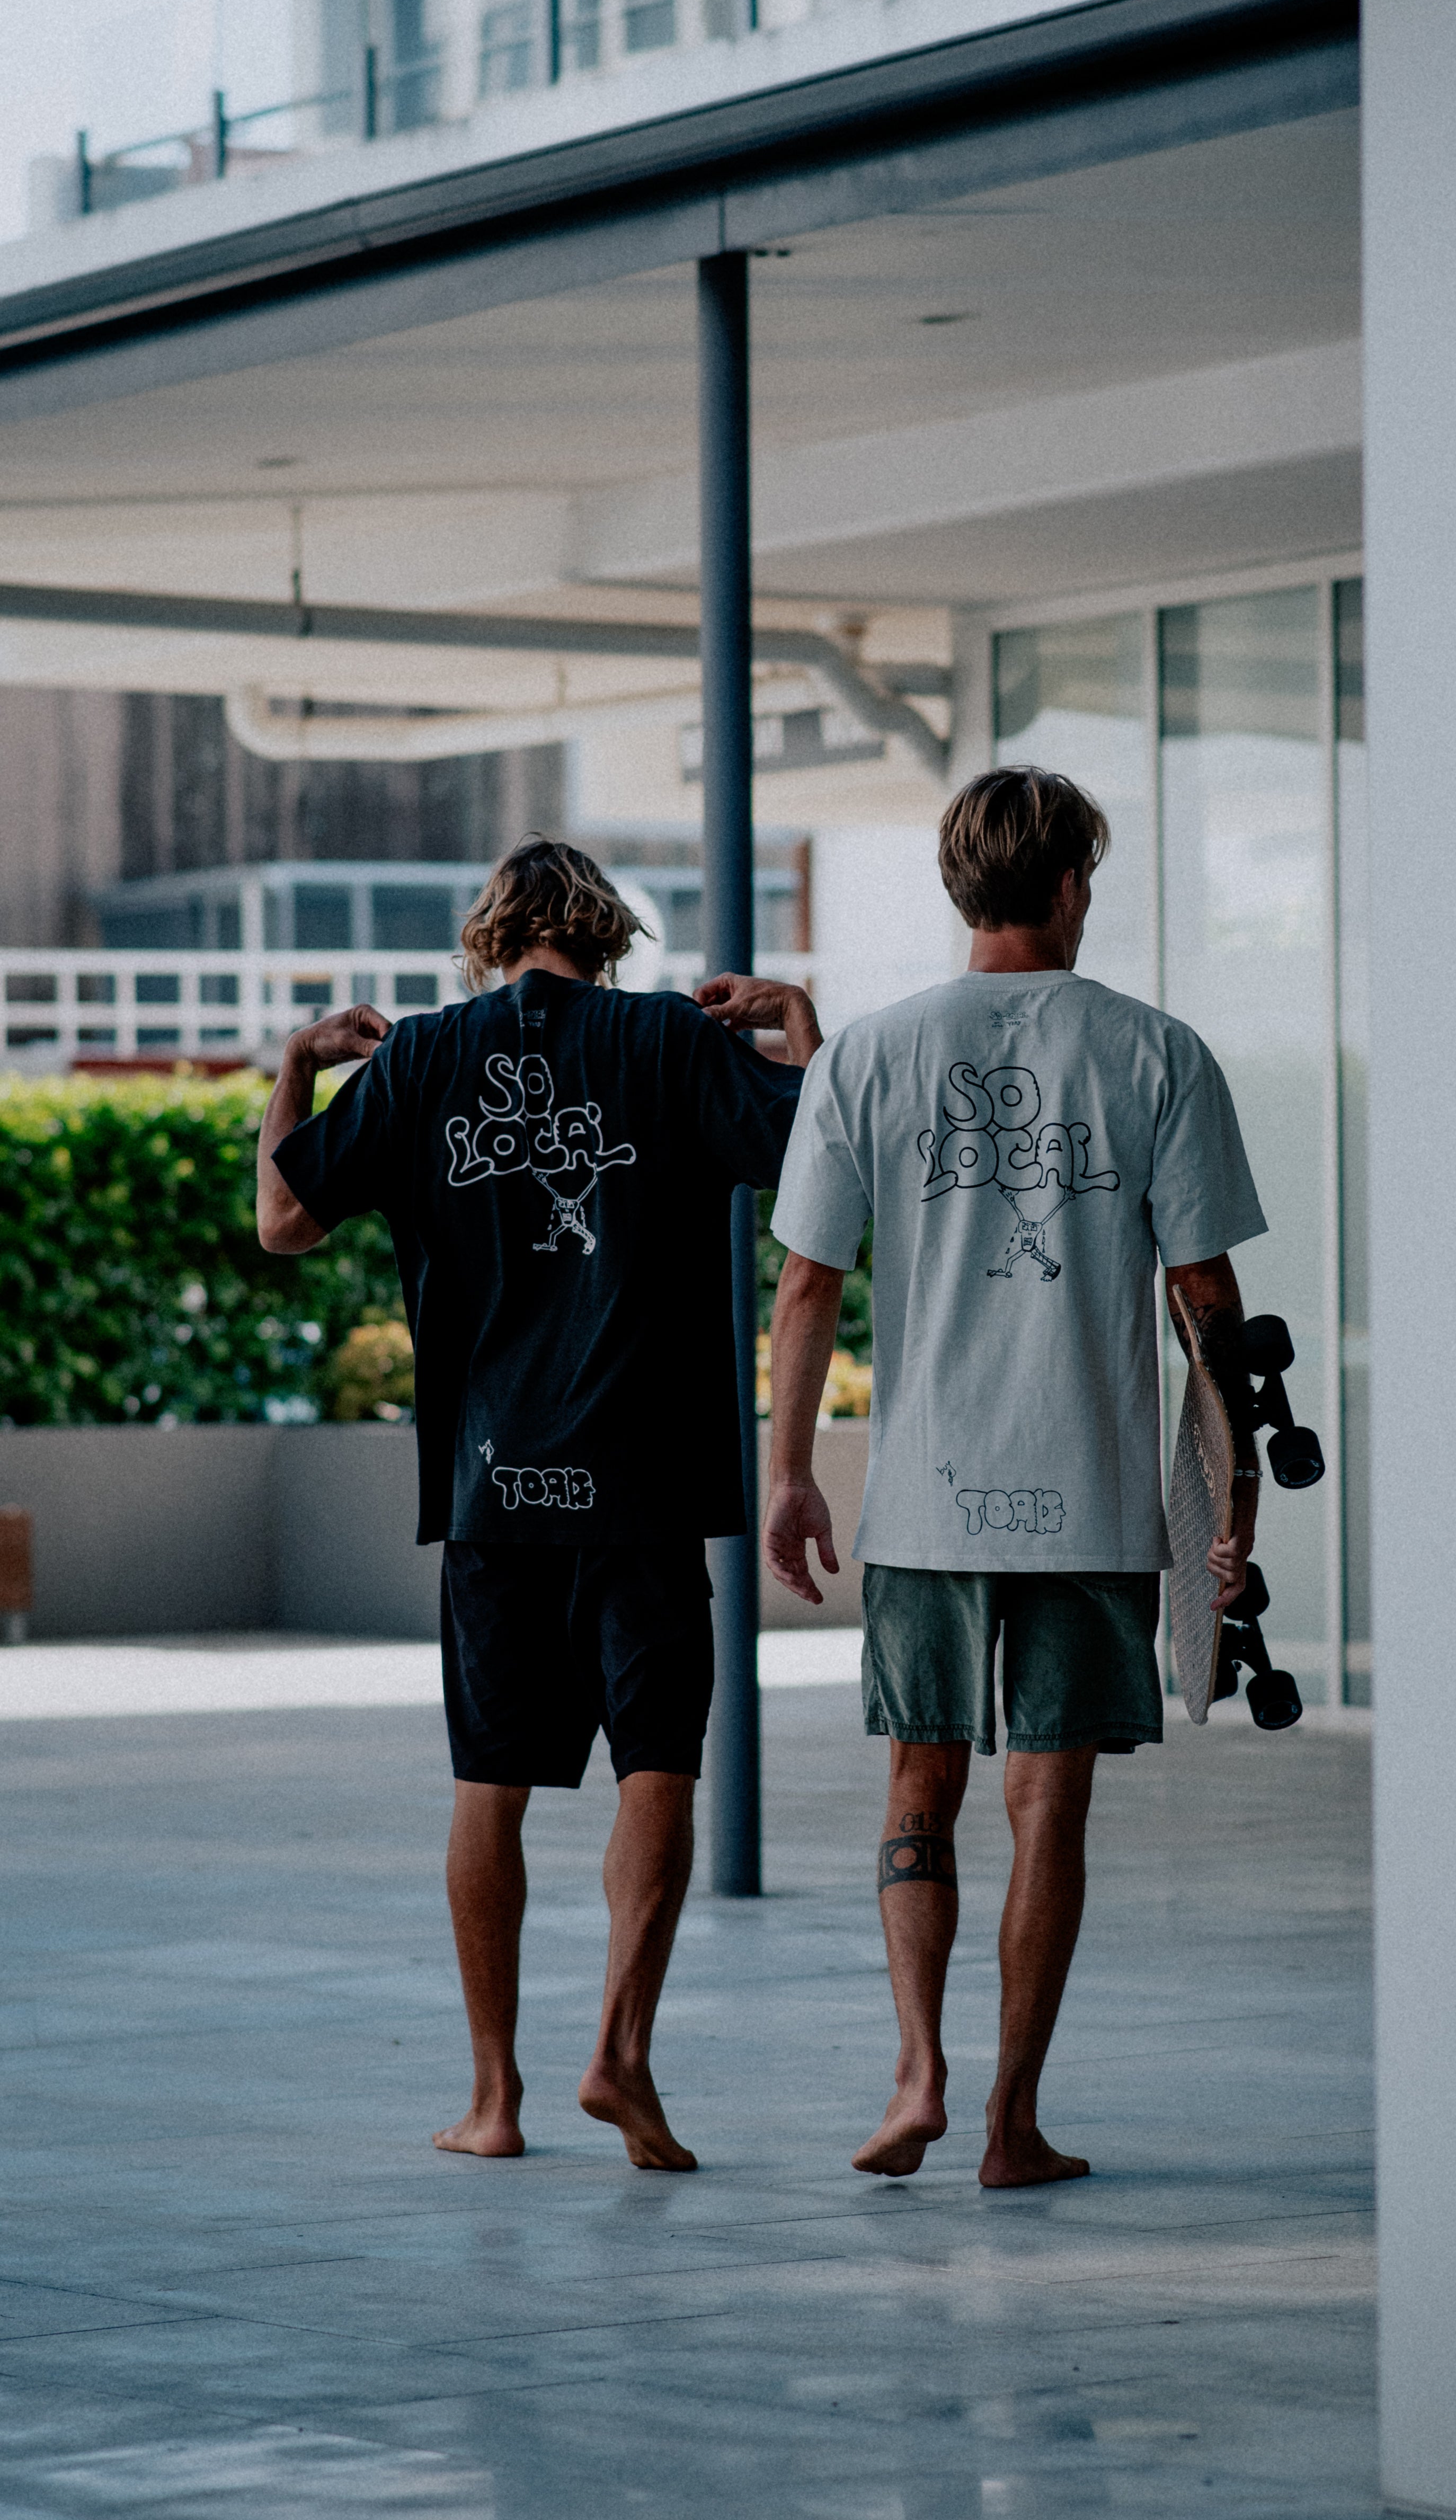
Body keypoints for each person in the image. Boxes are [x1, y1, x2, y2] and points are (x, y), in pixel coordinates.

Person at [256, 835, 819, 2172]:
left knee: (488, 1781)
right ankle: (621, 2050)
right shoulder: (670, 1043)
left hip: (493, 1485)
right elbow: (816, 1167)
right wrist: (797, 1031)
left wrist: (294, 1064)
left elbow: (283, 1218)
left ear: (491, 939)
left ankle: (494, 2099)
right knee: (659, 1763)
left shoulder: (421, 1058)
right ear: (607, 934)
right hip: (647, 1475)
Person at [762, 767, 1266, 2189]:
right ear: (1066, 888)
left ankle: (915, 2070)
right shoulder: (1156, 1053)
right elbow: (1211, 1314)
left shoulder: (867, 1056)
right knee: (1052, 1804)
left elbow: (807, 1289)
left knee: (918, 1786)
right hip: (1092, 1492)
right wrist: (1231, 1513)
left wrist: (793, 1471)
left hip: (925, 1495)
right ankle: (1010, 2123)